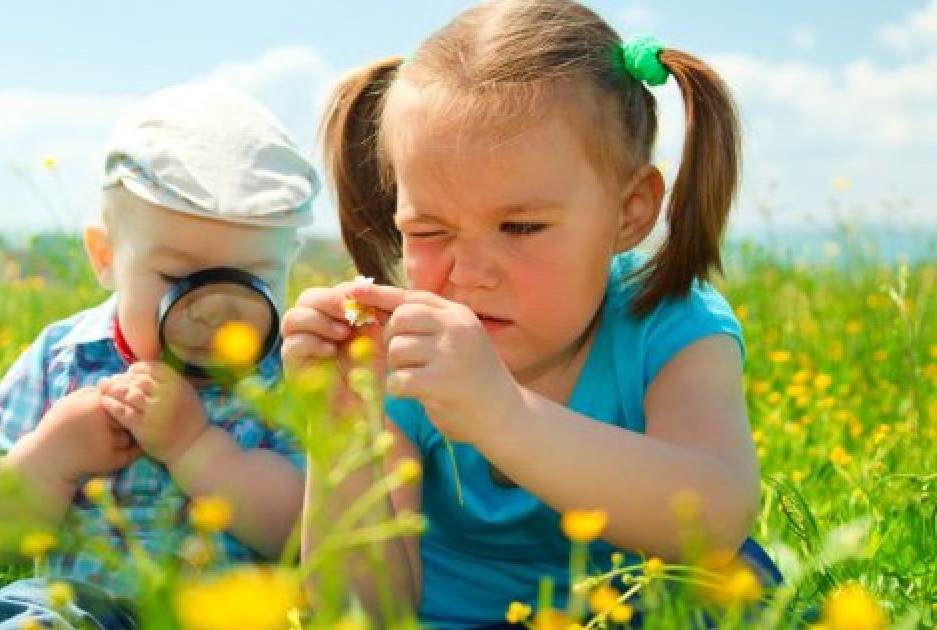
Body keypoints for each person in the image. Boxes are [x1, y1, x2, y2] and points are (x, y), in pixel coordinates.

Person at [281, 1, 781, 628]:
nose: (470, 272)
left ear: (629, 211)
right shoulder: (398, 358)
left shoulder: (671, 324)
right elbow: (357, 614)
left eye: (520, 226)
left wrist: (502, 415)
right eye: (429, 230)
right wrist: (343, 429)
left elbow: (714, 521)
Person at [0, 82, 319, 629]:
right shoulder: (63, 357)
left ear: (289, 263)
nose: (213, 309)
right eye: (177, 277)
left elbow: (307, 532)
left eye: (252, 279)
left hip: (232, 614)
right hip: (85, 610)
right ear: (106, 256)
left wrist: (197, 448)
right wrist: (49, 456)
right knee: (30, 613)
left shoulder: (290, 371)